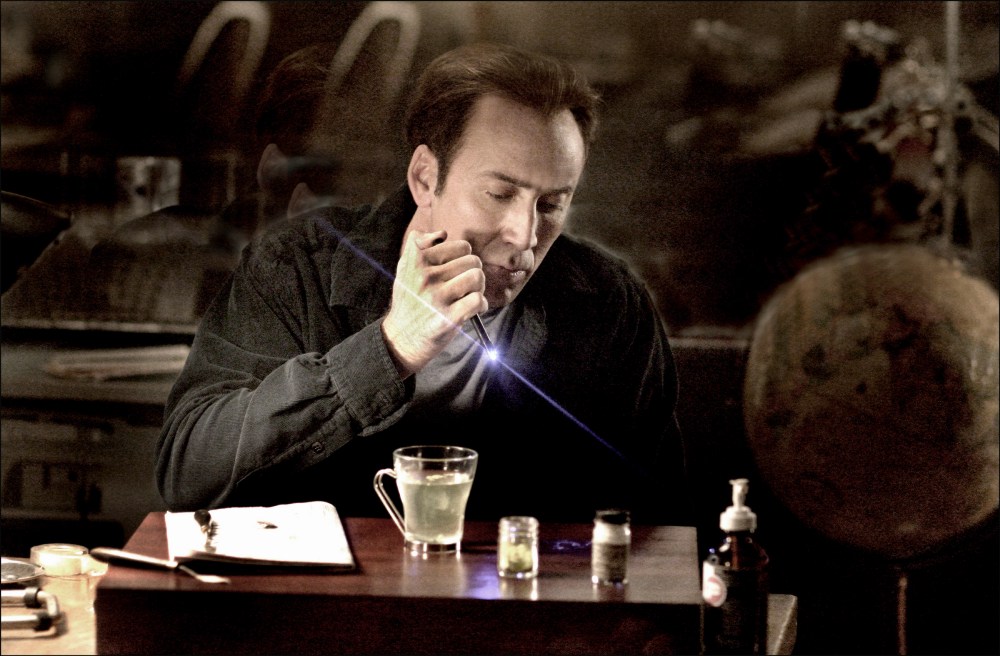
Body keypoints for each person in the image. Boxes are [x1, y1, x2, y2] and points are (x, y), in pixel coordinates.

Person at [156, 42, 691, 525]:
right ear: (425, 178)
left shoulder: (608, 302)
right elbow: (187, 474)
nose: (525, 235)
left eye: (551, 204)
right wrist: (391, 347)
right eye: (500, 194)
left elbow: (659, 518)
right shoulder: (296, 266)